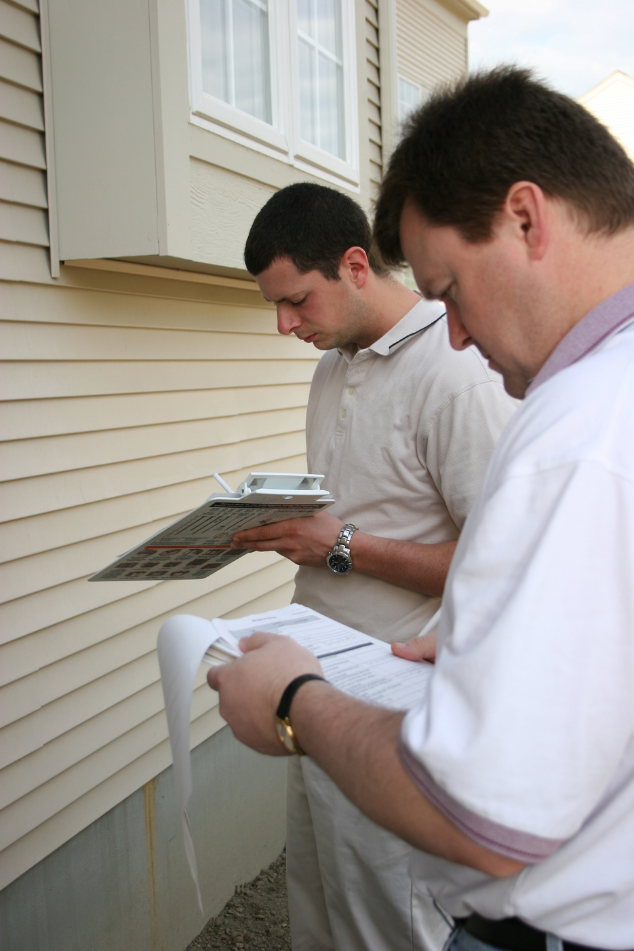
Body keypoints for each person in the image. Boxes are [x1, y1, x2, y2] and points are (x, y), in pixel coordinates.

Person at [209, 66, 634, 951]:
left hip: (443, 774)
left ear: (526, 217)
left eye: (450, 291)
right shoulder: (593, 401)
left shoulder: (572, 427)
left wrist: (294, 697)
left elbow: (483, 806)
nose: (460, 334)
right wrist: (504, 621)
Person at [232, 182, 517, 951]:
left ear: (356, 264)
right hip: (317, 692)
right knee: (321, 907)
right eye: (275, 305)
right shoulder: (334, 362)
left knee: (394, 923)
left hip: (402, 713)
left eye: (296, 300)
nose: (285, 324)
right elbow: (358, 508)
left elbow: (510, 567)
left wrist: (342, 546)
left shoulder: (457, 372)